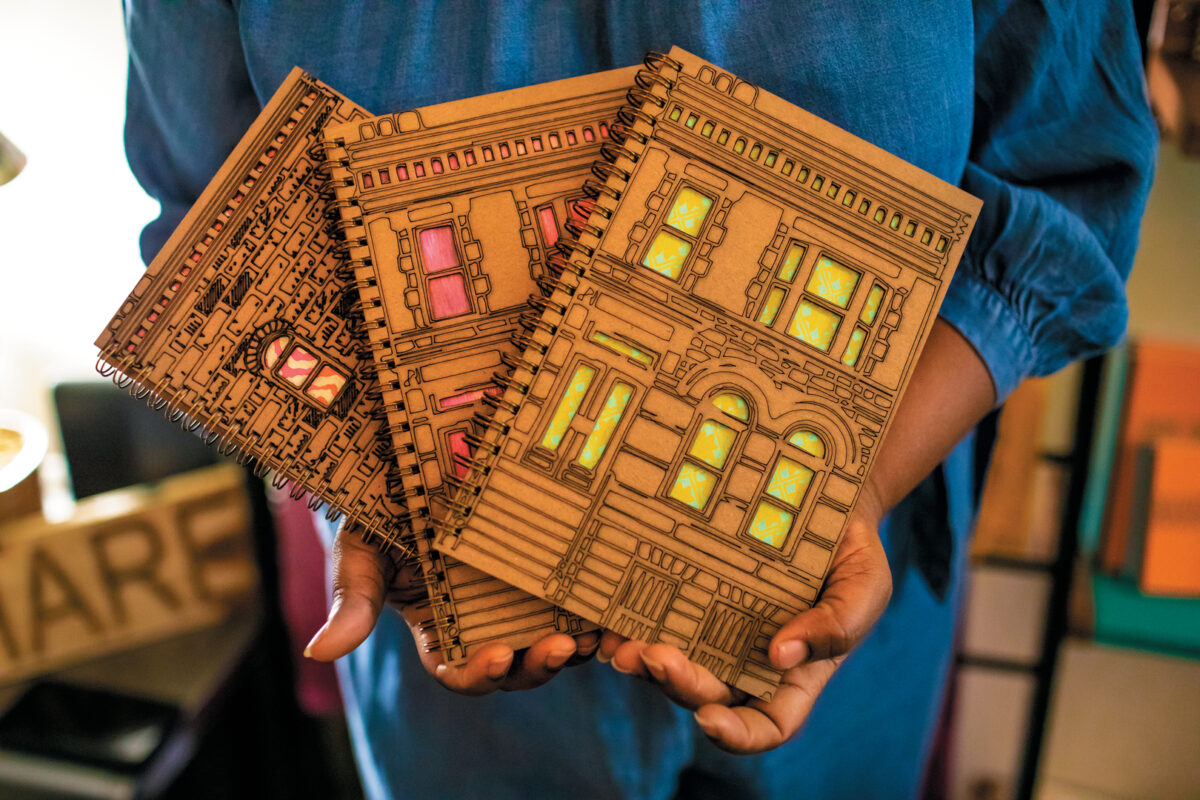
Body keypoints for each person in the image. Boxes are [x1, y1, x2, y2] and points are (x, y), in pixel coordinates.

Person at [123, 2, 1157, 797]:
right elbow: (212, 229)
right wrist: (366, 483)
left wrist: (856, 486)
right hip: (451, 664)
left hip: (823, 608)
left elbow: (1058, 194)